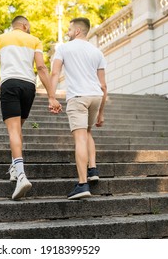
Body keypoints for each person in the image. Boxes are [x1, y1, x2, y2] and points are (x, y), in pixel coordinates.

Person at [0, 15, 62, 200]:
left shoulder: (0, 39)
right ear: (25, 25)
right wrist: (51, 96)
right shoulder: (34, 40)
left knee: (13, 130)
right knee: (18, 129)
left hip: (10, 84)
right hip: (28, 86)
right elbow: (42, 68)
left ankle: (21, 175)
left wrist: (0, 85)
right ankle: (14, 168)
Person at [50, 17, 107, 200]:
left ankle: (82, 185)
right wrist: (101, 112)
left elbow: (55, 72)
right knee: (88, 132)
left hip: (78, 97)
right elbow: (104, 85)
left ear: (76, 31)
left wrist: (52, 97)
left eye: (69, 29)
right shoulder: (97, 52)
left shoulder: (64, 49)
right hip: (95, 96)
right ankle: (93, 169)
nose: (67, 32)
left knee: (80, 138)